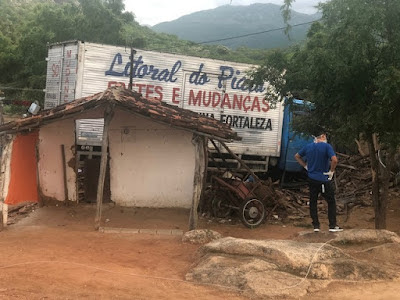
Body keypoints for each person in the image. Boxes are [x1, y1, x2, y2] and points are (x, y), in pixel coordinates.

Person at [294, 132, 343, 232]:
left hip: (311, 178)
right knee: (331, 201)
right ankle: (332, 225)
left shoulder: (308, 146)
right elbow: (334, 160)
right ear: (323, 136)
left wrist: (305, 166)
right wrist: (331, 171)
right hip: (323, 178)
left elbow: (297, 156)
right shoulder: (326, 147)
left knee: (313, 201)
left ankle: (316, 225)